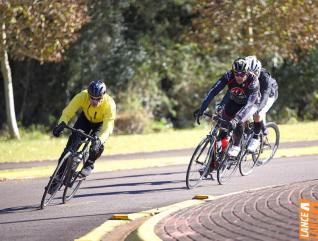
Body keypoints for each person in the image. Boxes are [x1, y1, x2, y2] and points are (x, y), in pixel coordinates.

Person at [194, 57, 260, 157]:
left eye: (242, 74)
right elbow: (213, 91)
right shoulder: (229, 76)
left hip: (251, 104)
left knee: (238, 121)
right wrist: (202, 108)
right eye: (236, 73)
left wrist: (236, 119)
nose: (239, 77)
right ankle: (216, 161)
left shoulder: (253, 81)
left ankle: (236, 147)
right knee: (223, 127)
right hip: (235, 100)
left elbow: (249, 105)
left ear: (247, 73)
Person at [52, 79, 116, 177]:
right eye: (92, 98)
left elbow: (107, 129)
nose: (94, 101)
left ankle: (89, 164)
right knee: (69, 148)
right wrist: (60, 125)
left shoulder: (110, 104)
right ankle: (58, 176)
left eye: (98, 98)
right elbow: (67, 113)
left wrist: (99, 141)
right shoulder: (82, 96)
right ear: (88, 94)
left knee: (97, 146)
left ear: (104, 95)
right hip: (85, 119)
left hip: (100, 124)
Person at [245, 56, 278, 153]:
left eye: (254, 73)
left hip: (269, 95)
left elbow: (264, 97)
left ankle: (261, 135)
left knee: (258, 113)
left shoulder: (264, 77)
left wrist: (258, 109)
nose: (252, 76)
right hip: (255, 93)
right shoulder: (244, 75)